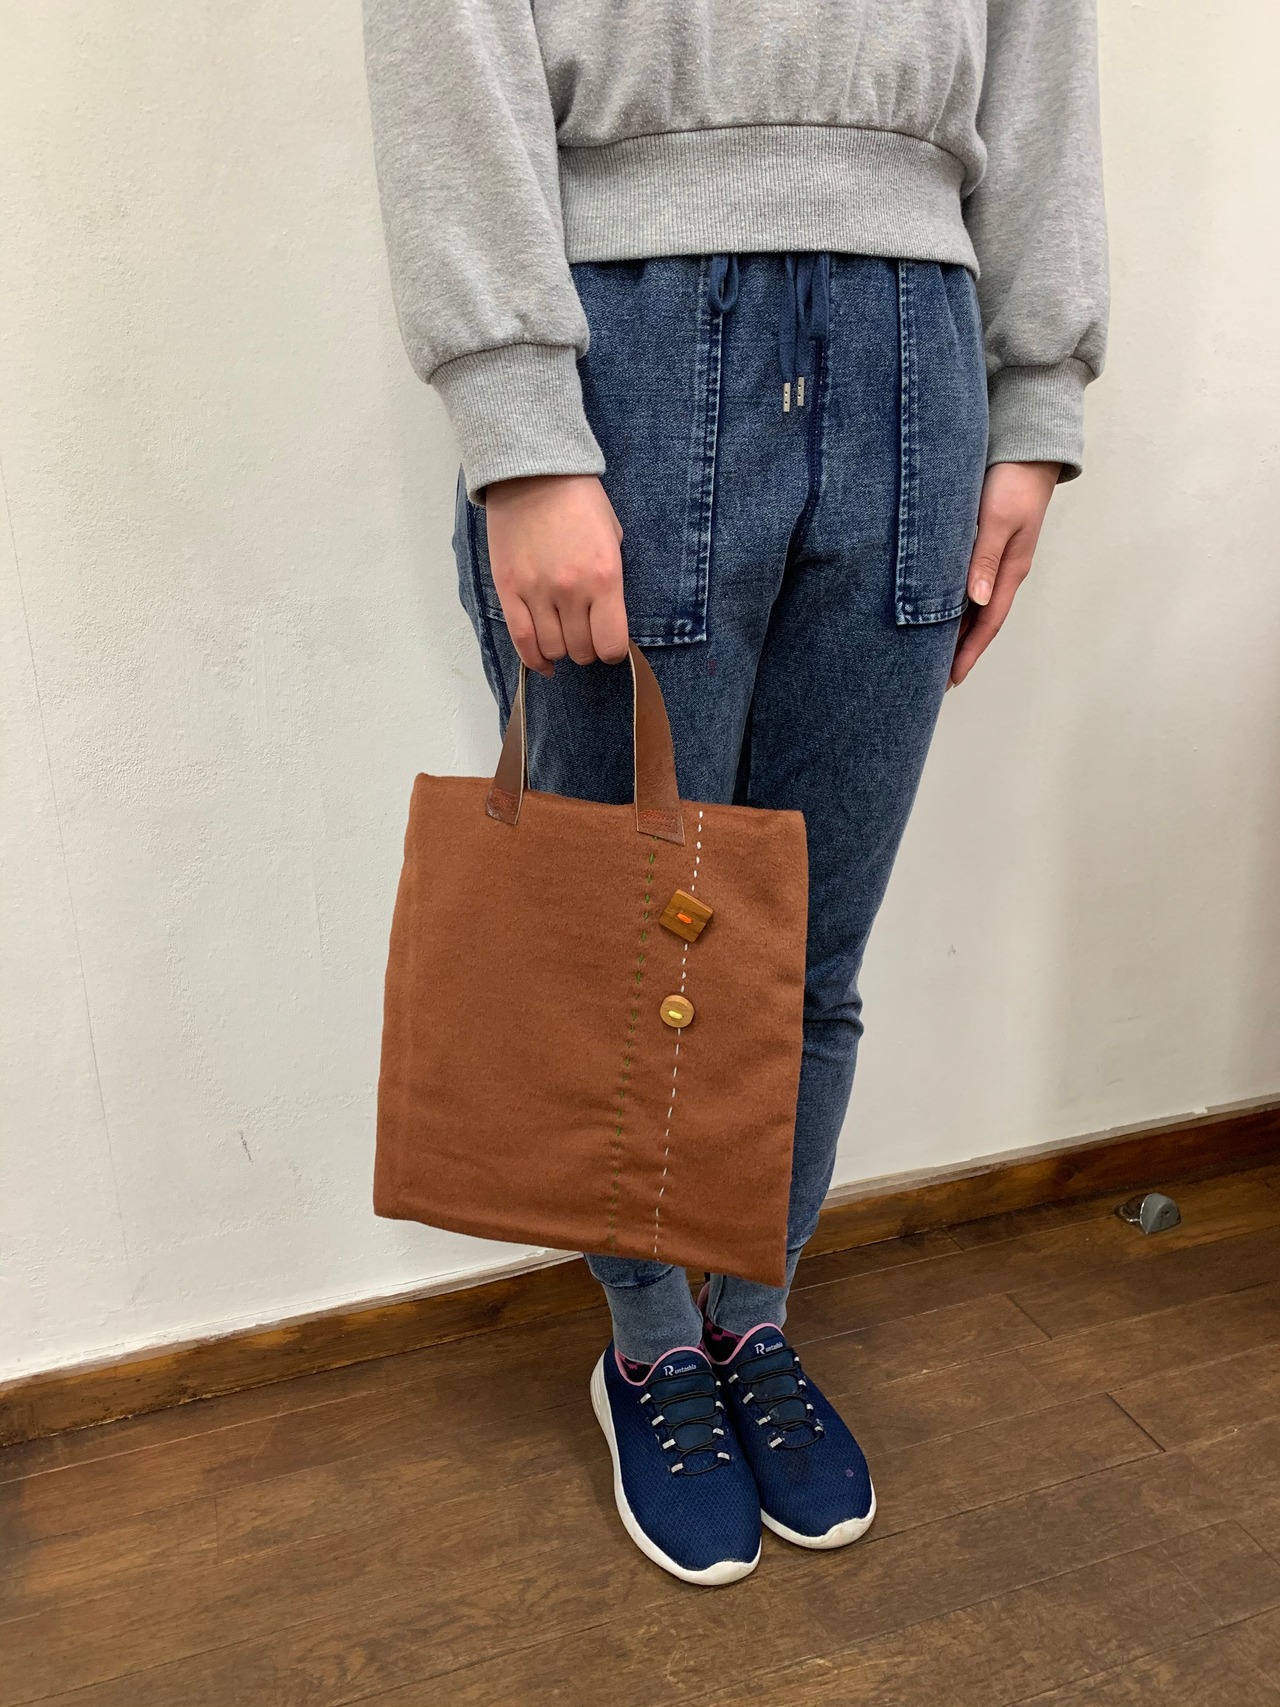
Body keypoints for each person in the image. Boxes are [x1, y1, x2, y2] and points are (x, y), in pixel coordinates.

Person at [362, 0, 1107, 1585]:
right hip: (630, 342)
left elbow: (1044, 41)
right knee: (619, 943)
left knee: (805, 949)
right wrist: (519, 425)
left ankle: (751, 1317)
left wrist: (1036, 398)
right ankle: (650, 1346)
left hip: (919, 345)